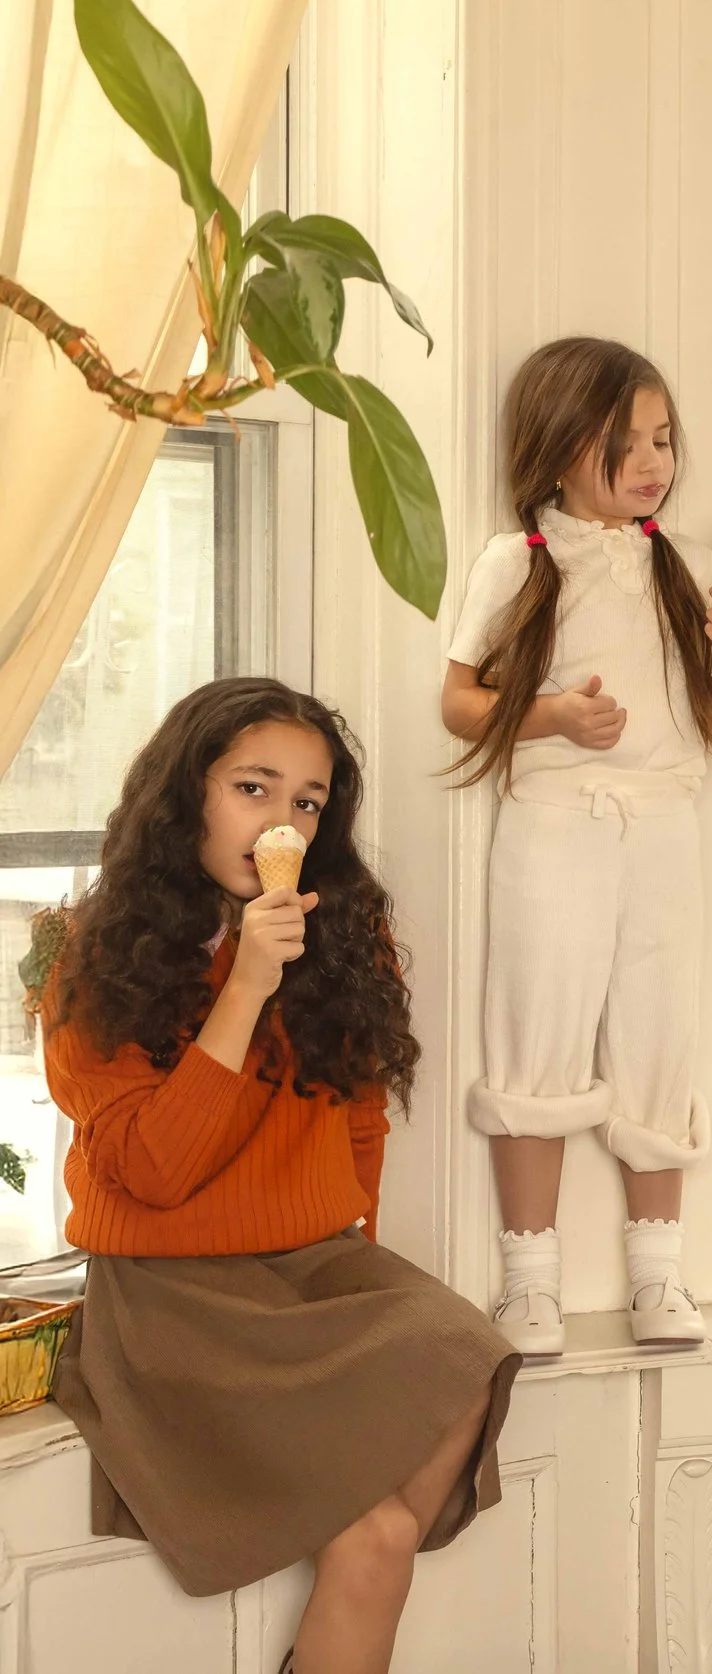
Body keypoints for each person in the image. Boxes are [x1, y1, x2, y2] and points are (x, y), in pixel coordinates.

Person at [40, 677, 517, 1669]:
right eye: (253, 788)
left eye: (307, 800)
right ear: (187, 796)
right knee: (380, 1533)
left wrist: (354, 1290)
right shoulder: (90, 954)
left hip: (312, 1268)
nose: (282, 819)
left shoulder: (344, 931)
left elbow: (358, 1123)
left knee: (467, 1354)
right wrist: (248, 984)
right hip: (172, 1290)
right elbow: (153, 1171)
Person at [443, 336, 712, 1354]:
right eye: (624, 441)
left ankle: (657, 1276)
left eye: (663, 439)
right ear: (557, 446)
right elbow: (458, 701)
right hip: (555, 825)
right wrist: (552, 719)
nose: (653, 460)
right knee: (537, 1029)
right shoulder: (517, 559)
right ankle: (527, 1282)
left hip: (662, 826)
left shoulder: (684, 560)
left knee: (659, 1031)